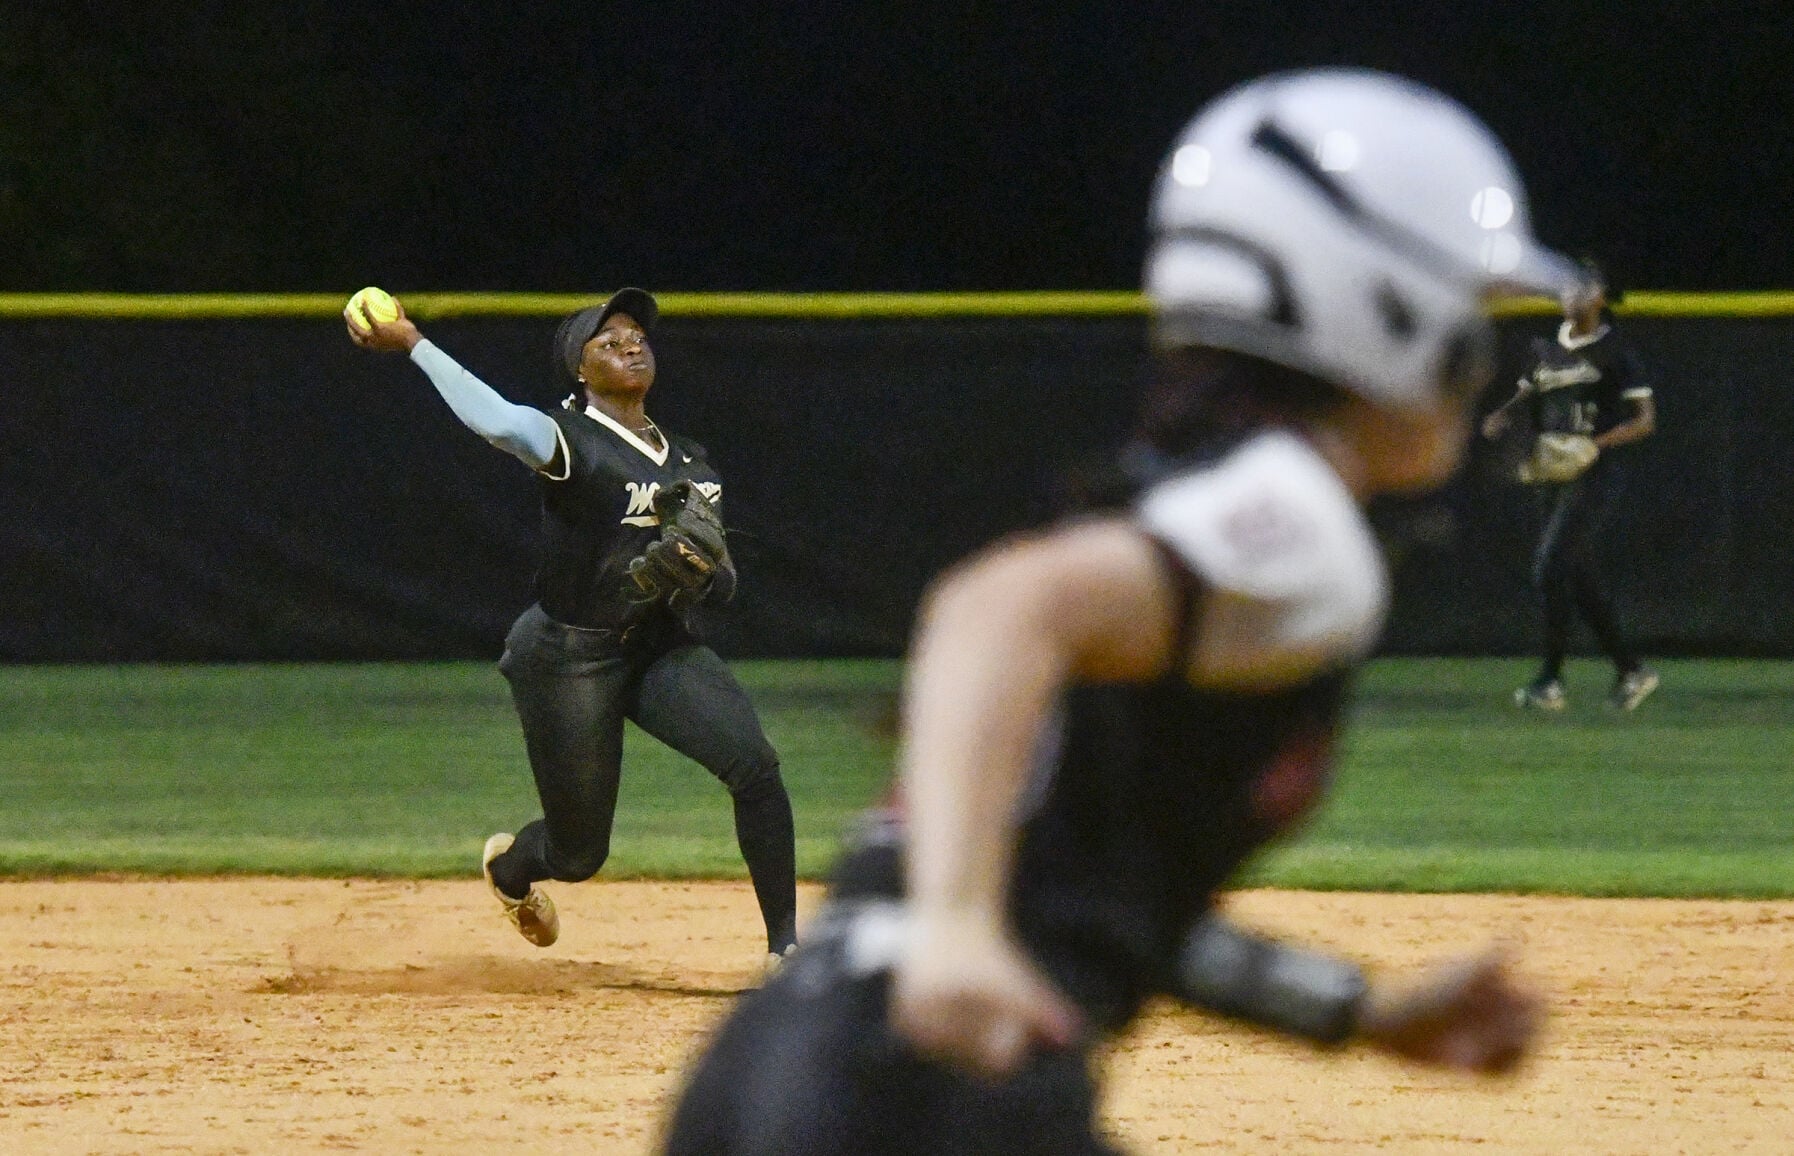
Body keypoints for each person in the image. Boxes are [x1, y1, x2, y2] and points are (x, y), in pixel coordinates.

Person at [659, 68, 1572, 1156]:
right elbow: (998, 606)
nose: (1480, 360)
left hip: (792, 1065)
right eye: (1472, 317)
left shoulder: (1196, 498)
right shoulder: (1298, 519)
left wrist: (1354, 1012)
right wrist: (956, 927)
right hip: (939, 1087)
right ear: (1388, 311)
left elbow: (1102, 915)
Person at [344, 288, 798, 967]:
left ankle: (786, 952)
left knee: (755, 767)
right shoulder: (570, 438)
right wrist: (414, 344)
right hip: (567, 657)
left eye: (636, 335)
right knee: (579, 854)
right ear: (581, 371)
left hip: (656, 648)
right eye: (607, 341)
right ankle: (511, 870)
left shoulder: (692, 465)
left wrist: (701, 573)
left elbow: (725, 583)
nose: (630, 344)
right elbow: (498, 423)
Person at [1481, 262, 1659, 711]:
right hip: (1552, 475)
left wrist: (1595, 444)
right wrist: (1501, 416)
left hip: (1593, 475)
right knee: (1574, 574)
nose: (1571, 293)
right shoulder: (1546, 349)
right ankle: (1631, 670)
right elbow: (1525, 396)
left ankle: (1551, 681)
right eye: (1566, 286)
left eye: (1583, 286)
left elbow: (1645, 421)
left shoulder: (1615, 352)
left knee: (1549, 566)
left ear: (1601, 297)